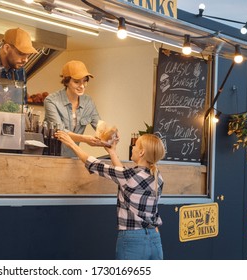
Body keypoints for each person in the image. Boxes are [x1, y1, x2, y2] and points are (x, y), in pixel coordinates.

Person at [55, 131, 166, 260]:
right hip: (155, 239)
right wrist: (112, 152)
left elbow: (94, 164)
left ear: (141, 152)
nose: (133, 147)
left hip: (133, 241)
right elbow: (123, 177)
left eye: (135, 145)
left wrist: (71, 144)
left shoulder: (129, 175)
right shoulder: (157, 177)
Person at [44, 60, 107, 157]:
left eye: (85, 81)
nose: (82, 86)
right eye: (76, 82)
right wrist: (85, 139)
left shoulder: (88, 101)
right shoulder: (51, 100)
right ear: (66, 81)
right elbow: (60, 132)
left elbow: (100, 127)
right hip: (51, 155)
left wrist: (110, 135)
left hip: (74, 157)